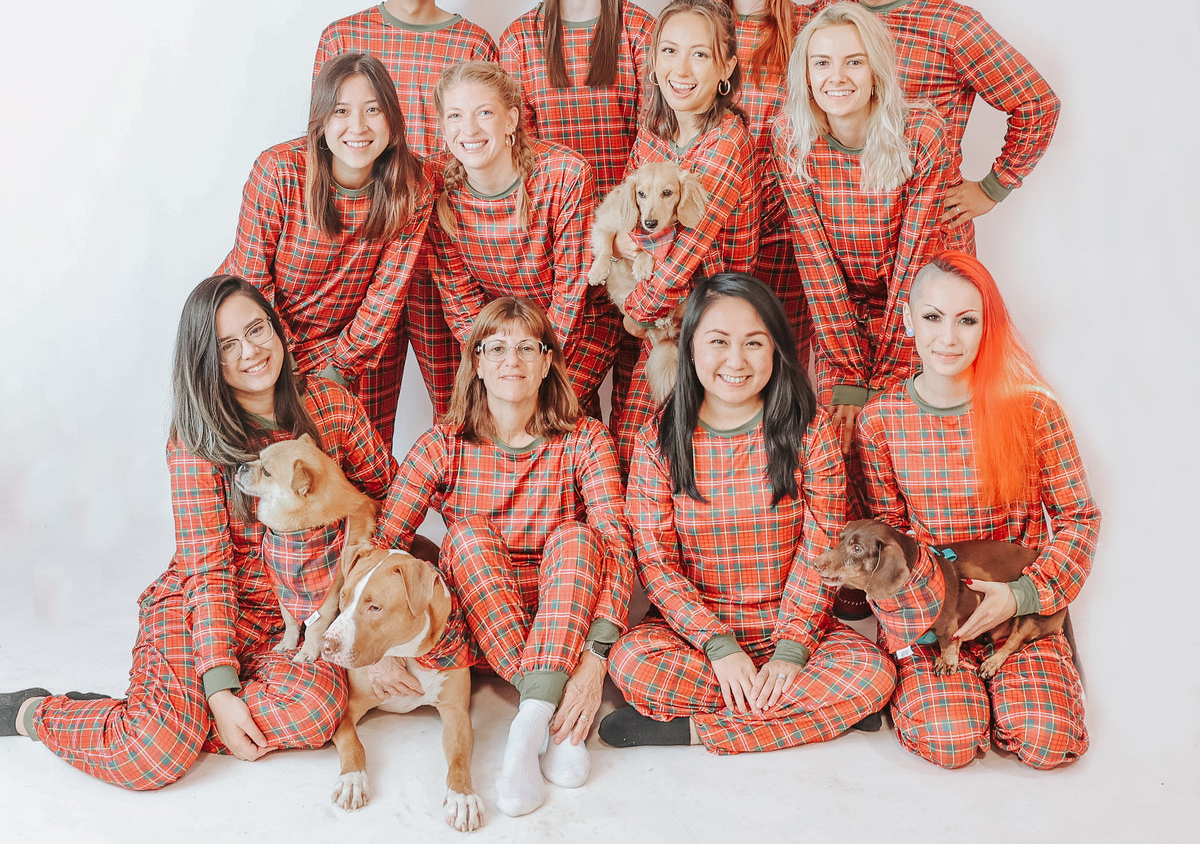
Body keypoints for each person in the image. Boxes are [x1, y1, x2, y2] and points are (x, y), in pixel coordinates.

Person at [1, 276, 396, 786]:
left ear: (278, 331)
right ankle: (40, 713)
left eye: (257, 330)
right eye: (227, 345)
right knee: (150, 757)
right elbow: (207, 569)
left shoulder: (330, 405)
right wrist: (220, 689)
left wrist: (375, 625)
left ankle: (166, 720)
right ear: (207, 360)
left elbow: (386, 498)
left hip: (293, 617)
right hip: (204, 604)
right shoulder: (196, 440)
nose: (250, 352)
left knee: (319, 708)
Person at [599, 273, 895, 753]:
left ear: (776, 349)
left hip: (793, 626)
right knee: (630, 663)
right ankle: (818, 714)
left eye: (753, 343)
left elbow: (820, 552)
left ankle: (693, 730)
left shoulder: (811, 434)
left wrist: (791, 651)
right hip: (695, 635)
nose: (735, 361)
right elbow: (656, 564)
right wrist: (719, 645)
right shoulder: (658, 441)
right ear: (690, 348)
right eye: (718, 342)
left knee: (875, 674)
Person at [371, 297, 632, 818]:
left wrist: (595, 659)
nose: (511, 360)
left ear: (548, 362)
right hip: (484, 621)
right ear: (477, 363)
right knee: (464, 537)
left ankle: (526, 728)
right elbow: (385, 544)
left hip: (564, 618)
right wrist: (379, 644)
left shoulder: (585, 438)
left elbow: (619, 551)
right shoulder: (443, 444)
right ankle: (548, 713)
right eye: (496, 348)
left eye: (526, 347)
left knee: (580, 538)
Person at [857, 252, 1100, 769]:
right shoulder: (881, 421)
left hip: (1017, 608)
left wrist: (1021, 595)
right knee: (952, 740)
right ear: (907, 318)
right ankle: (960, 699)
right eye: (933, 317)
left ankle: (1025, 687)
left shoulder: (1033, 408)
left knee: (1048, 740)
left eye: (967, 320)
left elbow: (1079, 516)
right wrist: (920, 615)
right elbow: (888, 540)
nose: (948, 338)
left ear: (988, 323)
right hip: (930, 613)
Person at [313, 0, 498, 415]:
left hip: (446, 246)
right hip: (366, 249)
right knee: (358, 416)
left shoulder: (473, 44)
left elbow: (483, 149)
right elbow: (323, 143)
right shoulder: (341, 37)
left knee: (463, 408)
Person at [805, 0, 1061, 251]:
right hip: (846, 241)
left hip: (928, 238)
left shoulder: (953, 26)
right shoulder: (833, 6)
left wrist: (993, 187)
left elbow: (1038, 103)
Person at [772, 1, 954, 458]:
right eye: (822, 63)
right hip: (844, 316)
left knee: (906, 440)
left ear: (875, 71)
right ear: (806, 76)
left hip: (923, 308)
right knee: (844, 445)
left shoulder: (922, 134)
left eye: (854, 61)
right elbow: (817, 265)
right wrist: (852, 374)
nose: (837, 77)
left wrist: (889, 373)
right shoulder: (792, 139)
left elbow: (916, 264)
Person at [222, 52, 432, 442]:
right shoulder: (279, 170)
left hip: (346, 342)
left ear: (393, 119)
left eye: (373, 110)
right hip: (258, 333)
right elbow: (250, 284)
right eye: (341, 111)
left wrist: (335, 373)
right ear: (321, 122)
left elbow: (385, 296)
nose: (358, 126)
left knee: (354, 463)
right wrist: (284, 366)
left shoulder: (413, 186)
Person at [498, 0, 654, 419]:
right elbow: (519, 147)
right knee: (564, 400)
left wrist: (624, 229)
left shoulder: (638, 29)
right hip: (559, 245)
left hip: (634, 240)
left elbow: (652, 134)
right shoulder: (521, 37)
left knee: (641, 399)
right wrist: (571, 234)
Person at [611, 0, 760, 467]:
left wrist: (635, 309)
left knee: (684, 453)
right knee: (631, 445)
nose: (682, 67)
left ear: (726, 68)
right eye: (669, 51)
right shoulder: (652, 136)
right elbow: (624, 228)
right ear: (652, 63)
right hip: (659, 327)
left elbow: (685, 254)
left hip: (710, 325)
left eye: (700, 54)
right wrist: (619, 245)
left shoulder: (728, 140)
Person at [428, 60, 620, 415]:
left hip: (579, 327)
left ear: (511, 120)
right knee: (492, 417)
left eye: (484, 112)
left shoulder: (565, 175)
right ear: (442, 125)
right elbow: (461, 301)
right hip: (501, 336)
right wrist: (497, 362)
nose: (468, 128)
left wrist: (536, 366)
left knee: (545, 415)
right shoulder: (436, 185)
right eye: (455, 116)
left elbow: (571, 294)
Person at [703, 0, 809, 344]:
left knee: (781, 364)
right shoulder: (697, 28)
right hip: (712, 229)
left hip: (788, 230)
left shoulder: (809, 28)